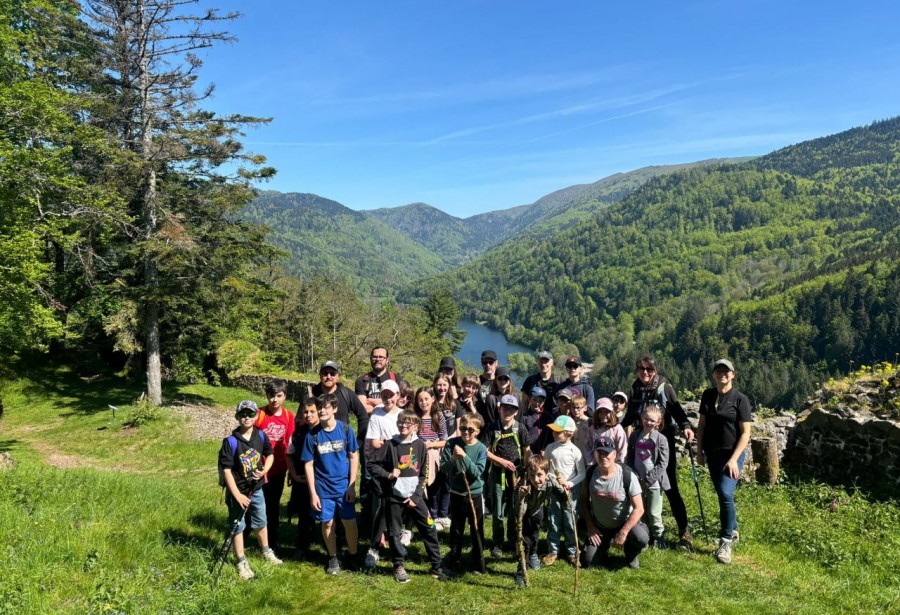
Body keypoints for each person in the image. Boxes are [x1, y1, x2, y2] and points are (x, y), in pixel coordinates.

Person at [621, 355, 695, 549]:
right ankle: (645, 531)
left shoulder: (664, 387)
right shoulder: (636, 388)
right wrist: (616, 427)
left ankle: (684, 531)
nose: (645, 372)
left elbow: (677, 410)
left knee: (669, 487)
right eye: (641, 368)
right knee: (639, 487)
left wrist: (686, 426)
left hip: (662, 444)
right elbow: (630, 414)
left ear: (655, 371)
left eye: (649, 369)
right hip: (640, 442)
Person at [369, 410, 450, 582]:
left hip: (415, 496)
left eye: (408, 423)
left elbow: (423, 473)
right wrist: (388, 474)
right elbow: (372, 466)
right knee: (394, 532)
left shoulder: (420, 445)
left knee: (429, 527)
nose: (404, 425)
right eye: (401, 422)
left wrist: (416, 496)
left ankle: (437, 566)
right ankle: (398, 565)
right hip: (394, 497)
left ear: (415, 426)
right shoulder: (390, 445)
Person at [696, 358, 752, 565]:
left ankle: (725, 540)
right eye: (719, 371)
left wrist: (734, 460)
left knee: (726, 493)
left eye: (726, 371)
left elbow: (746, 433)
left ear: (733, 374)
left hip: (732, 455)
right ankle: (734, 527)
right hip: (712, 454)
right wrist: (699, 451)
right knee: (722, 493)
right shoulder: (708, 395)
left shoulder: (740, 399)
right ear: (713, 375)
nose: (722, 374)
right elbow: (701, 425)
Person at [218, 400, 282, 581]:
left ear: (256, 416)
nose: (247, 417)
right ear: (237, 416)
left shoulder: (260, 436)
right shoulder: (230, 442)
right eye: (243, 414)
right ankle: (241, 561)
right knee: (238, 525)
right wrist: (237, 495)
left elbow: (270, 454)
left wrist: (265, 470)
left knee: (261, 520)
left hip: (257, 489)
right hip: (237, 491)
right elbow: (227, 470)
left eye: (251, 414)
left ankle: (265, 551)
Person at [300, 393, 360, 575]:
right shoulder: (312, 436)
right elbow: (308, 464)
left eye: (325, 407)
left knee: (349, 522)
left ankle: (353, 555)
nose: (321, 410)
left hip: (343, 487)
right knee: (327, 523)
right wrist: (313, 493)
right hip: (323, 488)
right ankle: (333, 557)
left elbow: (353, 456)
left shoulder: (346, 429)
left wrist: (352, 485)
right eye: (320, 407)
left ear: (334, 409)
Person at [580, 436, 649, 570]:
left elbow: (639, 508)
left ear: (615, 454)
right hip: (600, 526)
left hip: (624, 523)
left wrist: (623, 532)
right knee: (590, 561)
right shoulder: (590, 474)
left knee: (641, 538)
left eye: (607, 453)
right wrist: (590, 527)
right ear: (594, 454)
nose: (603, 457)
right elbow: (583, 502)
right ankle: (602, 548)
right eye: (599, 453)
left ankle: (631, 553)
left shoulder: (627, 475)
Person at [361, 380, 403, 572]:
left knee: (398, 506)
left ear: (398, 396)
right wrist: (390, 443)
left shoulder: (403, 415)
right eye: (384, 395)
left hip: (401, 467)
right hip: (382, 468)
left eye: (391, 395)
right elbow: (374, 442)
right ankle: (375, 544)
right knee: (380, 508)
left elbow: (408, 441)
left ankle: (397, 543)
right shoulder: (377, 414)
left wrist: (390, 443)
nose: (387, 399)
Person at [440, 412, 488, 574]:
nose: (466, 433)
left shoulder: (481, 449)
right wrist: (453, 459)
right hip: (457, 493)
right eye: (462, 429)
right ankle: (453, 561)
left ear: (478, 431)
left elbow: (477, 472)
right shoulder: (452, 443)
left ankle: (478, 564)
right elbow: (444, 468)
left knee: (476, 529)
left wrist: (465, 457)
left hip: (474, 494)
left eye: (470, 430)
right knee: (456, 529)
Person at [484, 394, 531, 557]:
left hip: (517, 476)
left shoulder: (521, 428)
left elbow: (526, 451)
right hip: (497, 474)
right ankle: (497, 543)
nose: (508, 411)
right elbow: (484, 451)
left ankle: (512, 541)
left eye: (512, 409)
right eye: (505, 407)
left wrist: (524, 473)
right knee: (497, 511)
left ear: (516, 411)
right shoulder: (492, 428)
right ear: (499, 409)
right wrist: (501, 461)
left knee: (513, 510)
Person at [251, 378, 295, 551]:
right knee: (255, 504)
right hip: (258, 469)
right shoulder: (259, 414)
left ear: (284, 396)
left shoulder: (288, 416)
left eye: (278, 396)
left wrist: (291, 469)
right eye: (271, 396)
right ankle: (250, 535)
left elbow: (290, 443)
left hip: (278, 469)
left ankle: (272, 541)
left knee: (273, 506)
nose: (274, 400)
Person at [542, 415, 586, 566]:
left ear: (569, 433)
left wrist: (569, 483)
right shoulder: (550, 448)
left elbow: (581, 473)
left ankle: (573, 552)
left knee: (570, 521)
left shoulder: (575, 451)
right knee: (553, 520)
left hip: (569, 493)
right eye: (554, 431)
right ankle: (553, 550)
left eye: (558, 431)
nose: (554, 434)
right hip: (554, 491)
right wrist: (552, 479)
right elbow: (547, 469)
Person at [625, 403, 670, 548]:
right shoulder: (635, 435)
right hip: (637, 481)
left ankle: (658, 537)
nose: (648, 422)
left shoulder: (661, 439)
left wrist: (649, 480)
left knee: (654, 512)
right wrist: (635, 477)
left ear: (658, 422)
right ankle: (644, 537)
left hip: (654, 483)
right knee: (640, 511)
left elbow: (663, 463)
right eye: (646, 419)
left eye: (652, 420)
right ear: (641, 418)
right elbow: (630, 457)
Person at [286, 397, 319, 558]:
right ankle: (302, 545)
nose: (308, 415)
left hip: (323, 479)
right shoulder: (298, 431)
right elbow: (289, 455)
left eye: (312, 411)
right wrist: (293, 474)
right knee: (304, 514)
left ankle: (332, 546)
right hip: (302, 478)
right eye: (305, 412)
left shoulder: (326, 429)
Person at [513, 455, 551, 588]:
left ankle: (533, 555)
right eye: (532, 475)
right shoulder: (524, 486)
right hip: (524, 513)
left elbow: (562, 494)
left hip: (537, 511)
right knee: (526, 541)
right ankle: (521, 571)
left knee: (535, 535)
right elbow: (520, 510)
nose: (536, 479)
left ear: (547, 473)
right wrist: (521, 495)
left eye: (539, 475)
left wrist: (565, 487)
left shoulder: (551, 481)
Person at [412, 386, 448, 523]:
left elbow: (444, 441)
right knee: (419, 485)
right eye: (420, 400)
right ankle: (420, 515)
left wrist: (431, 444)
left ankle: (434, 516)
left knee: (433, 487)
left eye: (426, 399)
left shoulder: (438, 417)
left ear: (433, 399)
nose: (423, 402)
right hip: (418, 455)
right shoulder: (415, 417)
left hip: (433, 456)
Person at [432, 373, 463, 529]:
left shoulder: (455, 404)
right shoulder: (431, 402)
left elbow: (458, 428)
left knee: (447, 482)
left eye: (444, 385)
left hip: (449, 446)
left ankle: (444, 514)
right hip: (434, 446)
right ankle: (434, 514)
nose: (441, 388)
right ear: (434, 385)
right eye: (439, 384)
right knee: (434, 482)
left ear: (449, 386)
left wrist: (453, 444)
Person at [355, 346, 402, 413]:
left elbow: (400, 403)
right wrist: (389, 404)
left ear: (387, 360)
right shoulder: (362, 381)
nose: (377, 359)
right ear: (370, 359)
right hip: (369, 422)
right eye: (375, 357)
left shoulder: (396, 379)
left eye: (381, 357)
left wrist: (374, 402)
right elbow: (362, 409)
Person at [589, 398, 628, 464]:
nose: (603, 415)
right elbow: (587, 446)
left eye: (607, 412)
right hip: (596, 464)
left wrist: (619, 463)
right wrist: (591, 462)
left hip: (613, 465)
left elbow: (622, 448)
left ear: (612, 413)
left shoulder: (617, 428)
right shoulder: (593, 429)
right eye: (600, 412)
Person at [521, 386, 553, 455]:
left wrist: (545, 448)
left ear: (544, 402)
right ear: (529, 399)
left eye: (540, 401)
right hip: (529, 451)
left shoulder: (547, 416)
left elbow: (550, 435)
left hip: (544, 451)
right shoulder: (525, 417)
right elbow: (522, 436)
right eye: (534, 400)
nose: (537, 403)